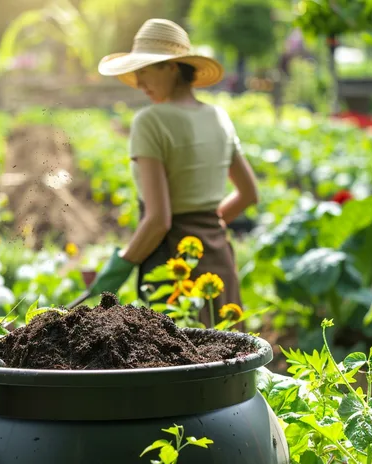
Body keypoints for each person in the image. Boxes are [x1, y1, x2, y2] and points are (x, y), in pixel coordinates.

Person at [89, 18, 259, 327]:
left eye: (143, 71)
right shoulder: (219, 117)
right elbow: (249, 194)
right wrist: (209, 227)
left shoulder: (150, 121)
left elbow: (159, 220)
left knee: (177, 364)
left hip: (172, 269)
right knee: (228, 361)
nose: (140, 84)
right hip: (219, 264)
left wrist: (118, 267)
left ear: (171, 67)